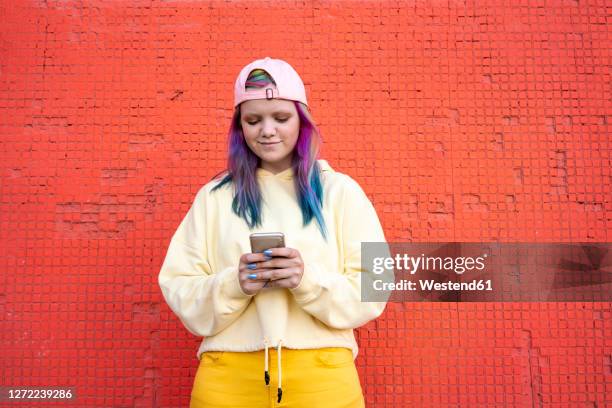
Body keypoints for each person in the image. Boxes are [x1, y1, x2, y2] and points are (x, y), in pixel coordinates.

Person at [158, 56, 391, 408]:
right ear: (240, 128)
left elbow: (377, 285)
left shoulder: (341, 191)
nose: (267, 130)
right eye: (253, 120)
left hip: (322, 377)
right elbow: (179, 285)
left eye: (281, 118)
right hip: (227, 380)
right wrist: (235, 283)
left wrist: (306, 279)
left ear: (302, 121)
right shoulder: (214, 197)